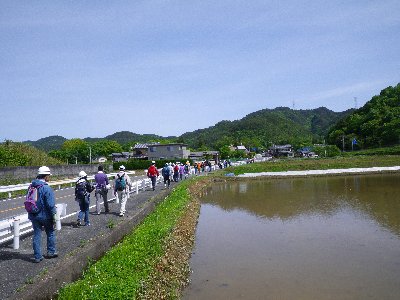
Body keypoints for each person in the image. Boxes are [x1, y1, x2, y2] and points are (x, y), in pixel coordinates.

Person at [28, 166, 58, 263]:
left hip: (34, 215)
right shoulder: (46, 188)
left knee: (37, 234)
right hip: (45, 216)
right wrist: (54, 216)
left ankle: (37, 256)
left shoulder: (31, 186)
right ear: (45, 176)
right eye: (49, 175)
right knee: (50, 233)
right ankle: (51, 252)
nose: (49, 177)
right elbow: (50, 205)